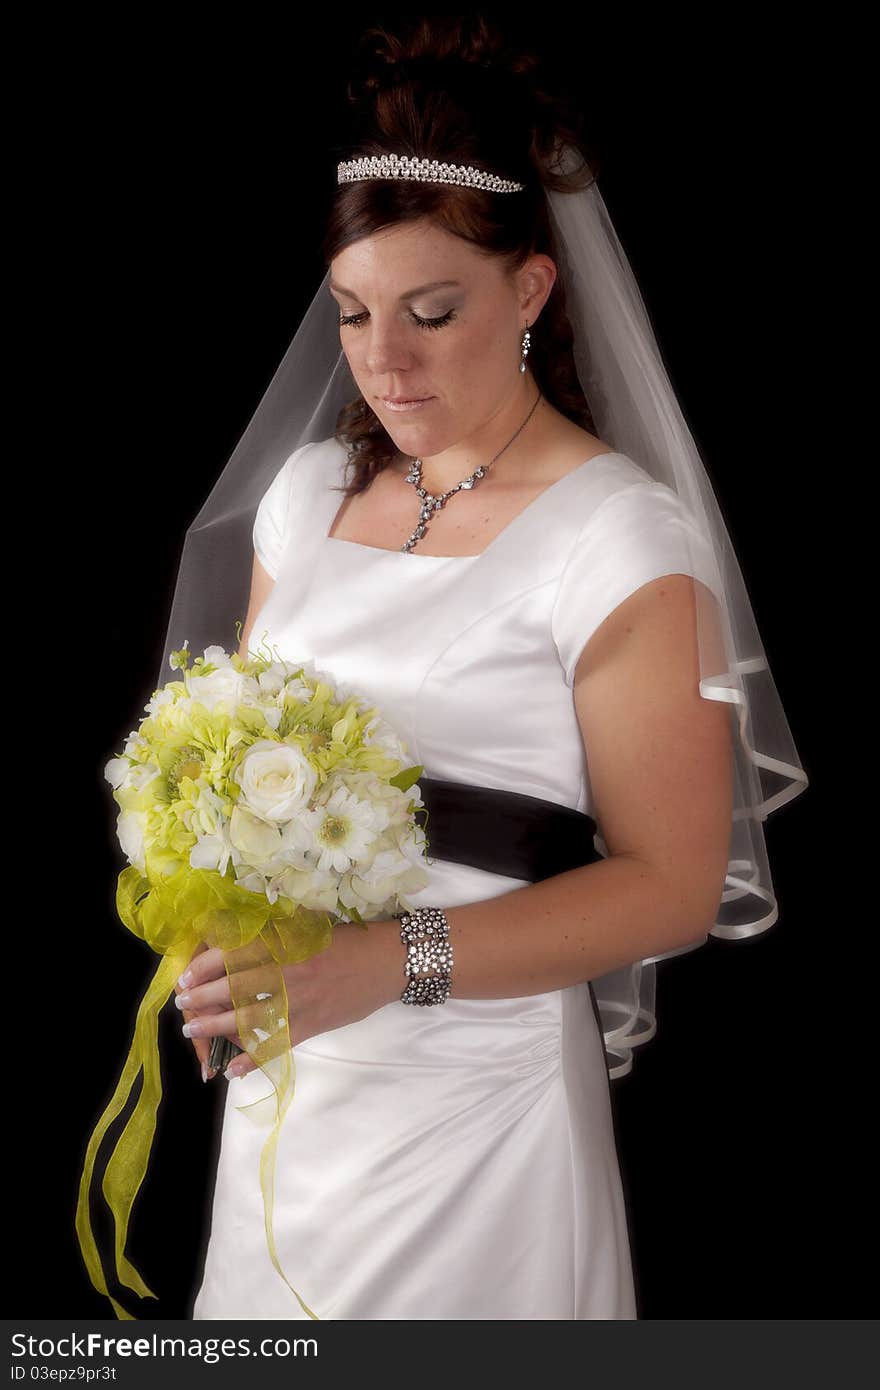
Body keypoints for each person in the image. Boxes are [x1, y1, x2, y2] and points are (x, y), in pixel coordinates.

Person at [162, 17, 808, 1321]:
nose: (384, 361)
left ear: (530, 291)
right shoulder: (302, 503)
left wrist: (387, 961)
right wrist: (215, 921)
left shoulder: (618, 539)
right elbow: (225, 768)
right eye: (352, 314)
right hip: (300, 1099)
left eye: (431, 311)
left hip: (481, 1105)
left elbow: (676, 885)